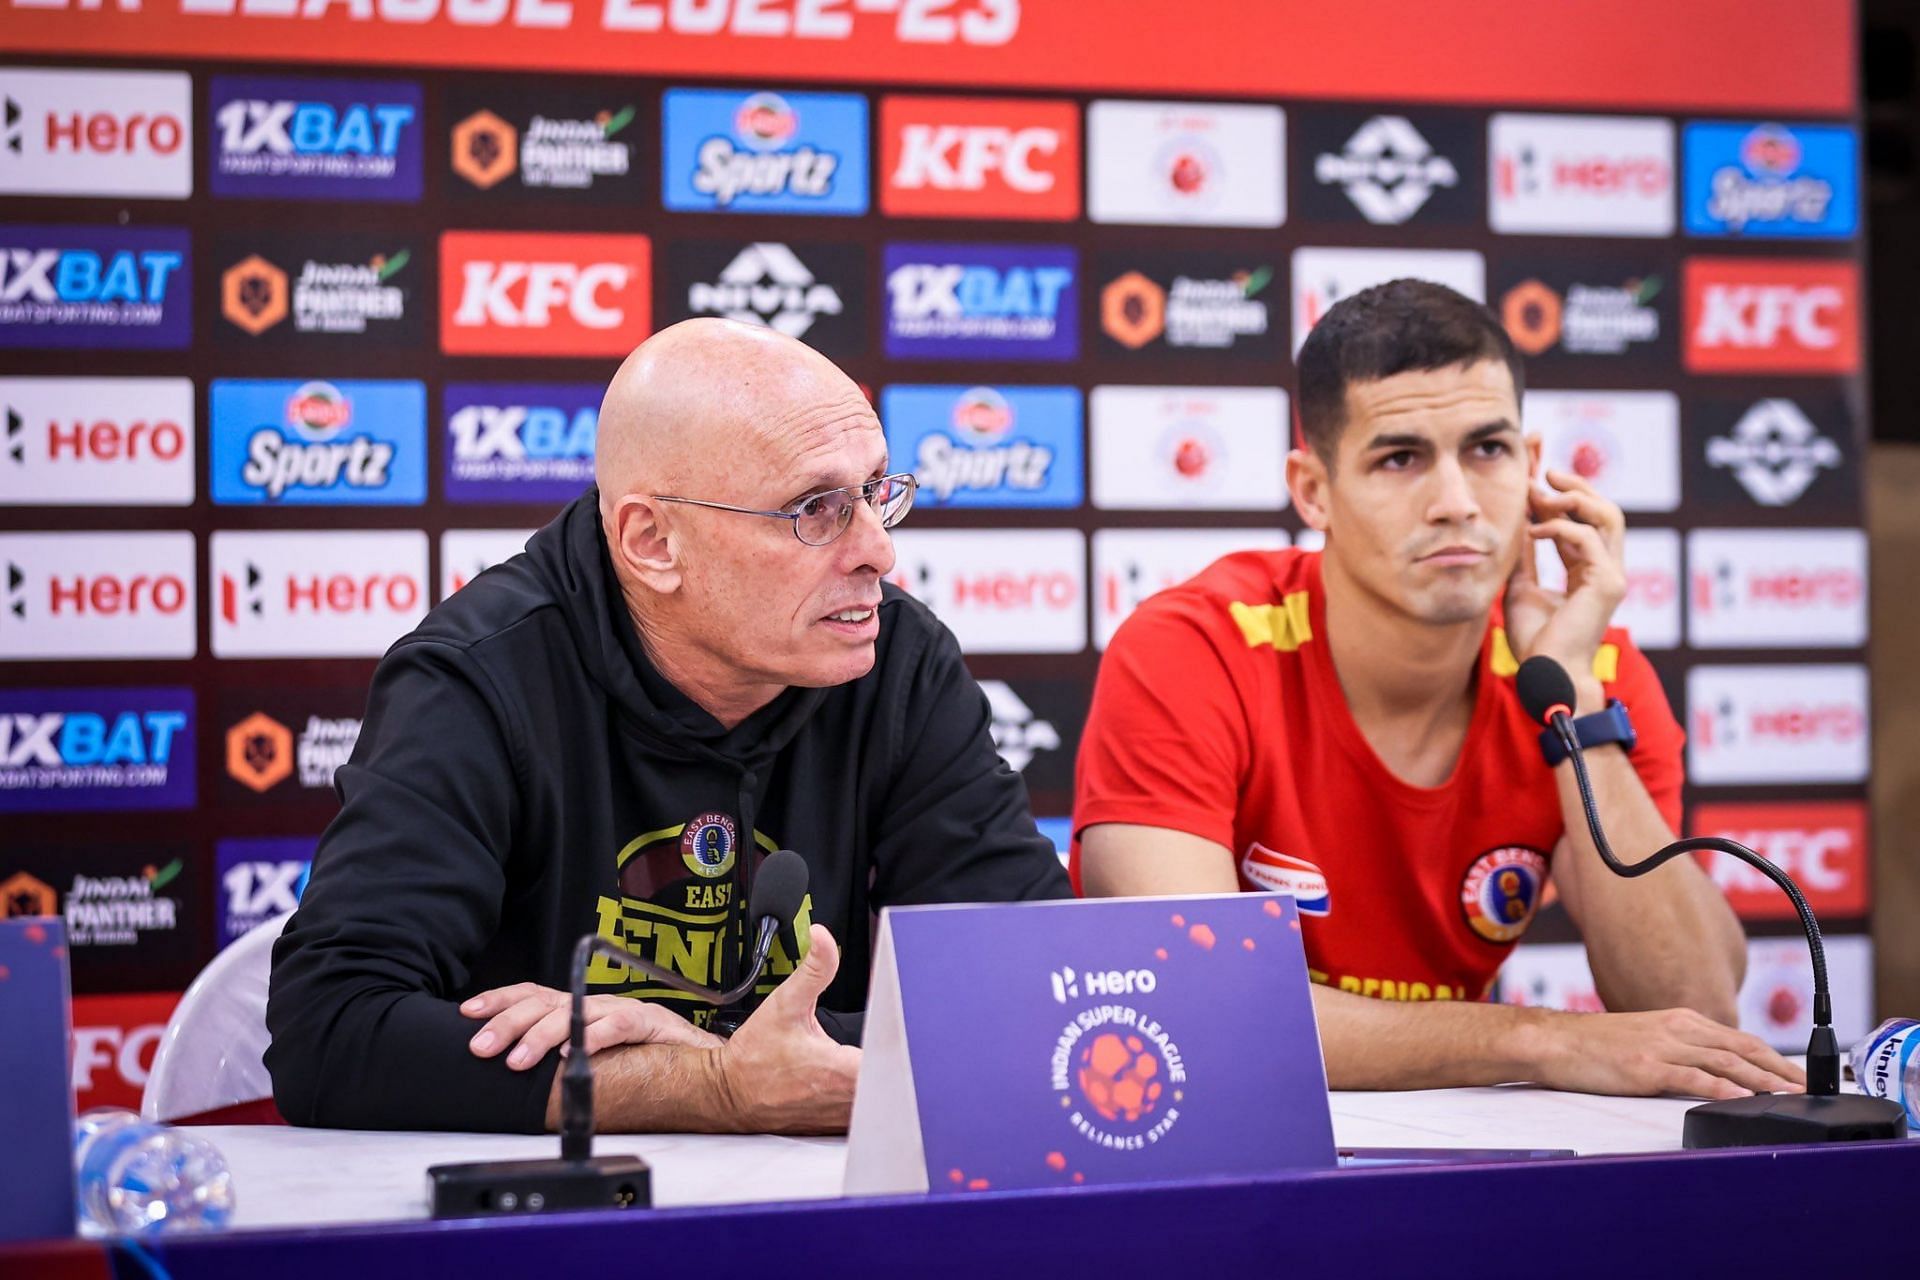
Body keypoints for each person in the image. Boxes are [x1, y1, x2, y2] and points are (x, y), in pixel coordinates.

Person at [266, 318, 1069, 1135]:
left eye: (874, 493)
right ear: (652, 543)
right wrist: (711, 1087)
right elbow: (329, 1036)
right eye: (816, 509)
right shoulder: (479, 678)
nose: (879, 554)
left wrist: (701, 1054)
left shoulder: (895, 660)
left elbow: (1041, 991)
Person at [1074, 280, 1805, 1101]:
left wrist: (1575, 707)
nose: (1456, 503)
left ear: (1532, 469)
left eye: (1487, 450)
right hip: (1207, 1131)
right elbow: (1196, 1004)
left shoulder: (1581, 672)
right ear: (1313, 490)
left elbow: (1692, 1005)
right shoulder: (1194, 648)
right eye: (1400, 458)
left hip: (1447, 1150)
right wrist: (1536, 1040)